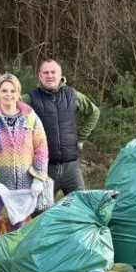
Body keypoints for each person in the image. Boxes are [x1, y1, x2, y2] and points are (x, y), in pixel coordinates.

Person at [0, 73, 49, 244]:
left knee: (18, 227)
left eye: (12, 90)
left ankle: (11, 263)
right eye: (4, 90)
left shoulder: (31, 118)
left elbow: (41, 149)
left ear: (18, 93)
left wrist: (38, 178)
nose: (9, 94)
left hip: (23, 186)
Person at [24, 59, 100, 196]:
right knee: (40, 213)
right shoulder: (30, 98)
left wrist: (81, 138)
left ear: (60, 75)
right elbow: (9, 106)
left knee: (80, 209)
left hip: (71, 167)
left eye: (53, 72)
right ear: (39, 76)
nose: (50, 75)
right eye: (45, 72)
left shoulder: (73, 95)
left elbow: (94, 113)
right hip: (44, 169)